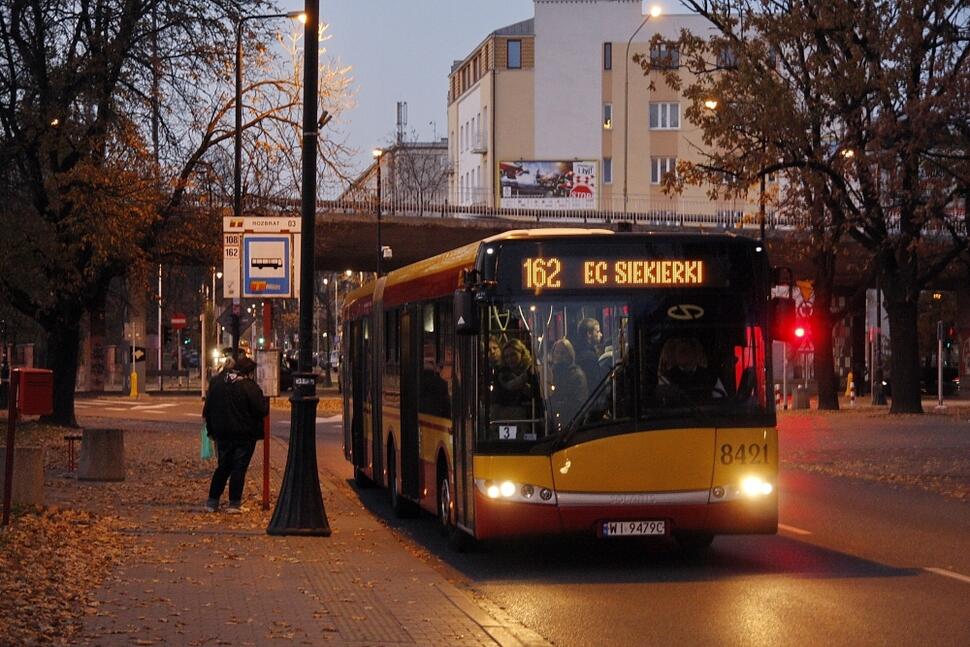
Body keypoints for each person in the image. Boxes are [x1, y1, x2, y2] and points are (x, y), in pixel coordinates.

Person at [202, 356, 269, 513]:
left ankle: (212, 501)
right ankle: (234, 503)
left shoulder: (218, 383)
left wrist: (212, 430)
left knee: (223, 466)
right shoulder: (249, 387)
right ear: (249, 372)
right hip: (244, 434)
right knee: (239, 467)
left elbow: (208, 409)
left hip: (222, 433)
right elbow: (261, 409)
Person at [658, 336, 724, 399]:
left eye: (685, 350)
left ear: (695, 353)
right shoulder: (667, 378)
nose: (682, 355)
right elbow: (663, 403)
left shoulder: (711, 376)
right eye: (679, 351)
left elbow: (721, 401)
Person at [491, 338, 539, 422]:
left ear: (522, 354)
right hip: (507, 418)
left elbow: (536, 394)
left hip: (531, 417)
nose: (510, 359)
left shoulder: (532, 371)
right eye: (507, 356)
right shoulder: (502, 374)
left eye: (513, 355)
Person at [548, 339, 588, 431]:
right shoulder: (550, 372)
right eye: (557, 352)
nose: (559, 356)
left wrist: (555, 406)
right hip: (552, 420)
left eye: (562, 353)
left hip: (569, 422)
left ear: (569, 355)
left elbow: (578, 401)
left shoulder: (577, 375)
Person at [574, 318, 605, 388]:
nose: (601, 334)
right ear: (589, 334)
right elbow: (596, 382)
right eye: (597, 331)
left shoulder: (576, 351)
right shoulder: (590, 356)